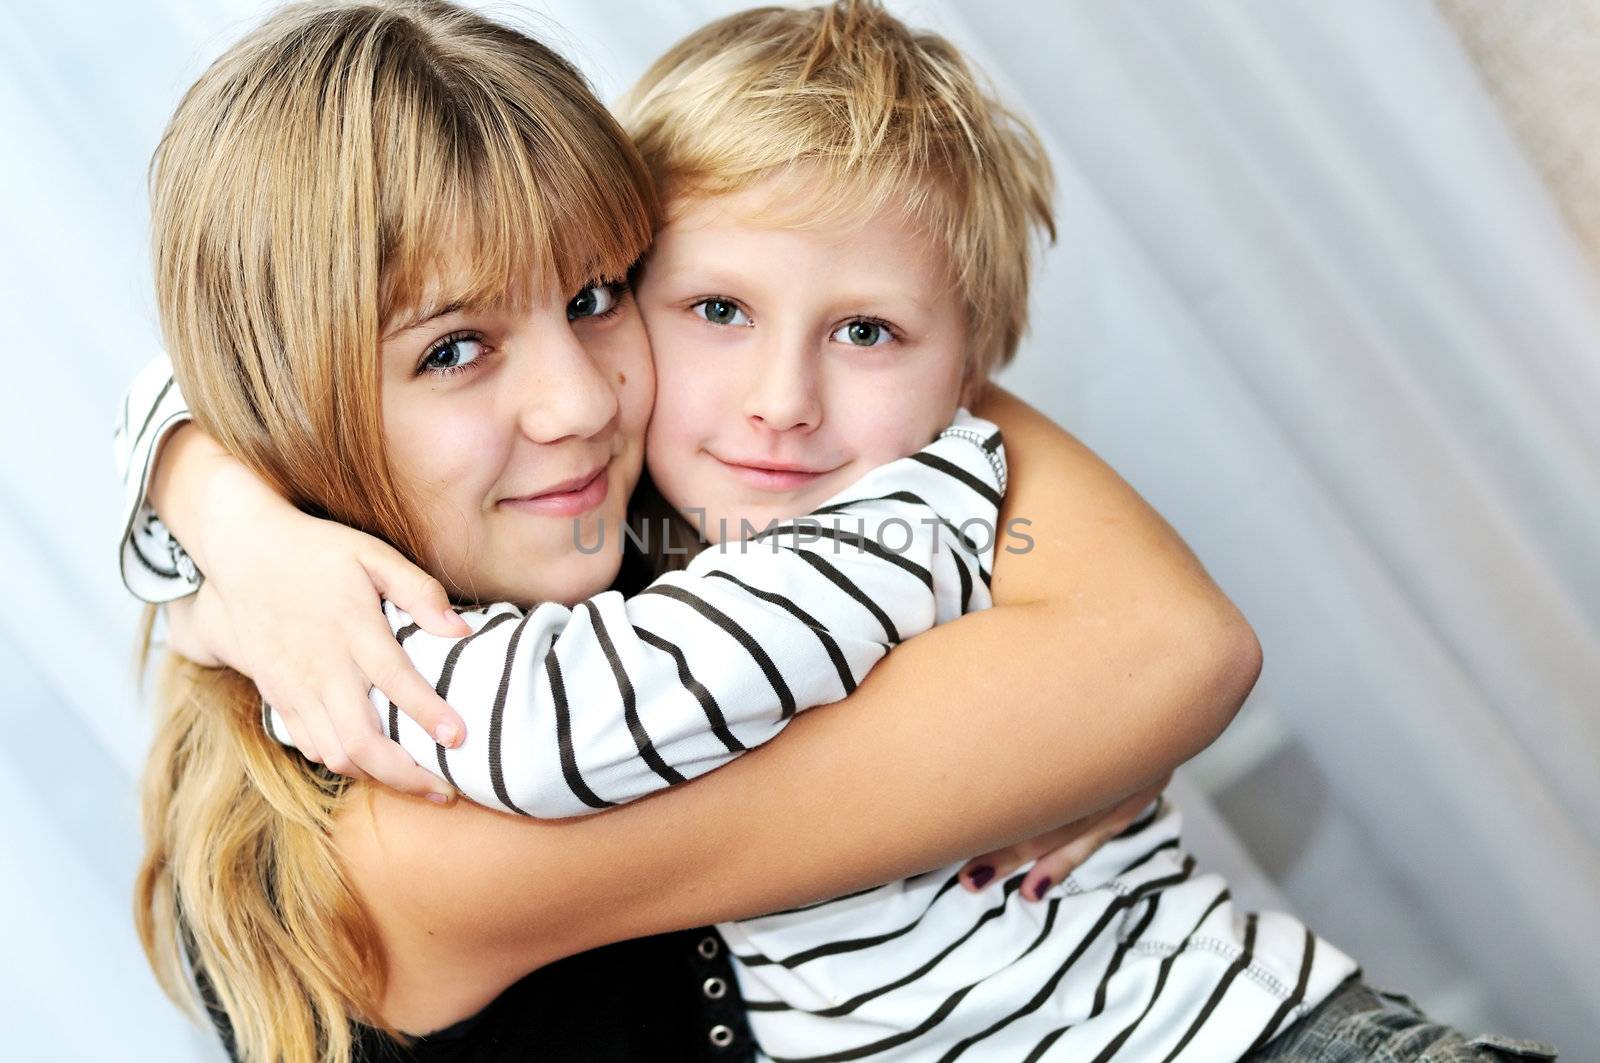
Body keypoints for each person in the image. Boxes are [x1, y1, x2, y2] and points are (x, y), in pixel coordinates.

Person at [122, 3, 1261, 1061]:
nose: (581, 403)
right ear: (287, 403)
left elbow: (928, 369)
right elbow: (1168, 655)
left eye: (594, 295)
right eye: (454, 350)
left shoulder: (661, 521)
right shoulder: (401, 832)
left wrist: (217, 506)